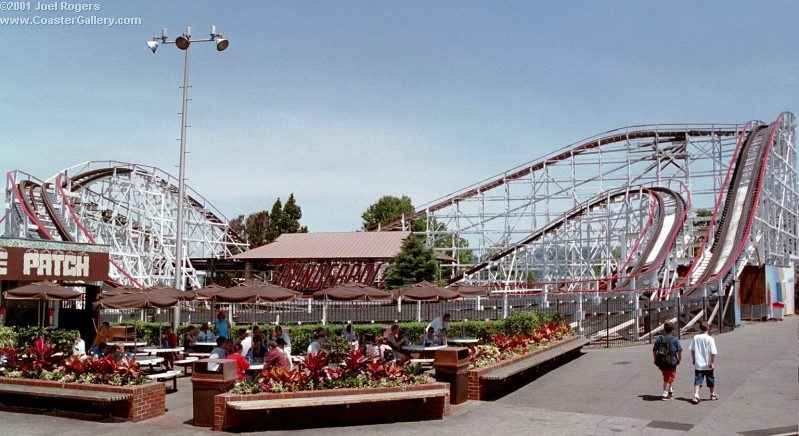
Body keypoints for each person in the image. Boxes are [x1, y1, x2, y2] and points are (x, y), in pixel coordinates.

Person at [688, 321, 718, 404]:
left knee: (698, 379)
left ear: (700, 329)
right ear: (708, 328)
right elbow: (713, 353)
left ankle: (696, 395)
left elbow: (692, 350)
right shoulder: (710, 339)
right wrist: (712, 362)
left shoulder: (696, 337)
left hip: (699, 363)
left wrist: (693, 359)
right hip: (708, 363)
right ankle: (712, 394)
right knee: (710, 378)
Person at [652, 322, 682, 400]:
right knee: (670, 377)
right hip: (671, 361)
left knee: (666, 376)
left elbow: (654, 350)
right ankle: (665, 394)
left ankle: (670, 391)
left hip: (661, 361)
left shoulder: (659, 338)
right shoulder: (674, 339)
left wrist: (655, 359)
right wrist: (679, 359)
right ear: (672, 330)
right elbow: (679, 350)